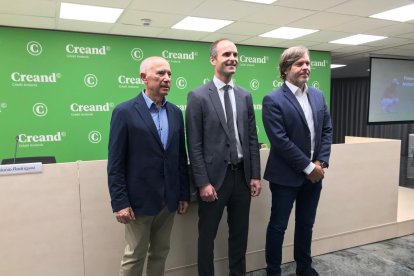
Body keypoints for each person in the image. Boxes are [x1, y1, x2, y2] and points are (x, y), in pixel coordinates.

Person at [107, 56, 190, 276]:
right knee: (134, 255)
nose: (167, 79)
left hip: (168, 199)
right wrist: (119, 202)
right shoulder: (124, 112)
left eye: (169, 74)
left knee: (160, 253)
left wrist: (183, 194)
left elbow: (180, 157)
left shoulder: (175, 112)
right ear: (143, 78)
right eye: (160, 73)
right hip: (138, 202)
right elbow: (115, 163)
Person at [185, 39, 261, 276]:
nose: (232, 59)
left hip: (242, 177)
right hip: (213, 180)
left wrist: (255, 175)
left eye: (236, 54)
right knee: (207, 236)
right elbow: (194, 144)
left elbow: (251, 138)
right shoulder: (197, 96)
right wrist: (202, 182)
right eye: (227, 54)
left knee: (239, 234)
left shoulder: (245, 96)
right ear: (213, 59)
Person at [262, 46, 332, 276]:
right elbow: (280, 141)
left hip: (314, 176)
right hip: (285, 177)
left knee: (306, 225)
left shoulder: (318, 96)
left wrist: (320, 162)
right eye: (299, 64)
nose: (305, 68)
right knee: (278, 227)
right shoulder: (273, 99)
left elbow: (326, 130)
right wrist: (309, 167)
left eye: (307, 64)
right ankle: (273, 271)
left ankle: (304, 267)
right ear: (285, 69)